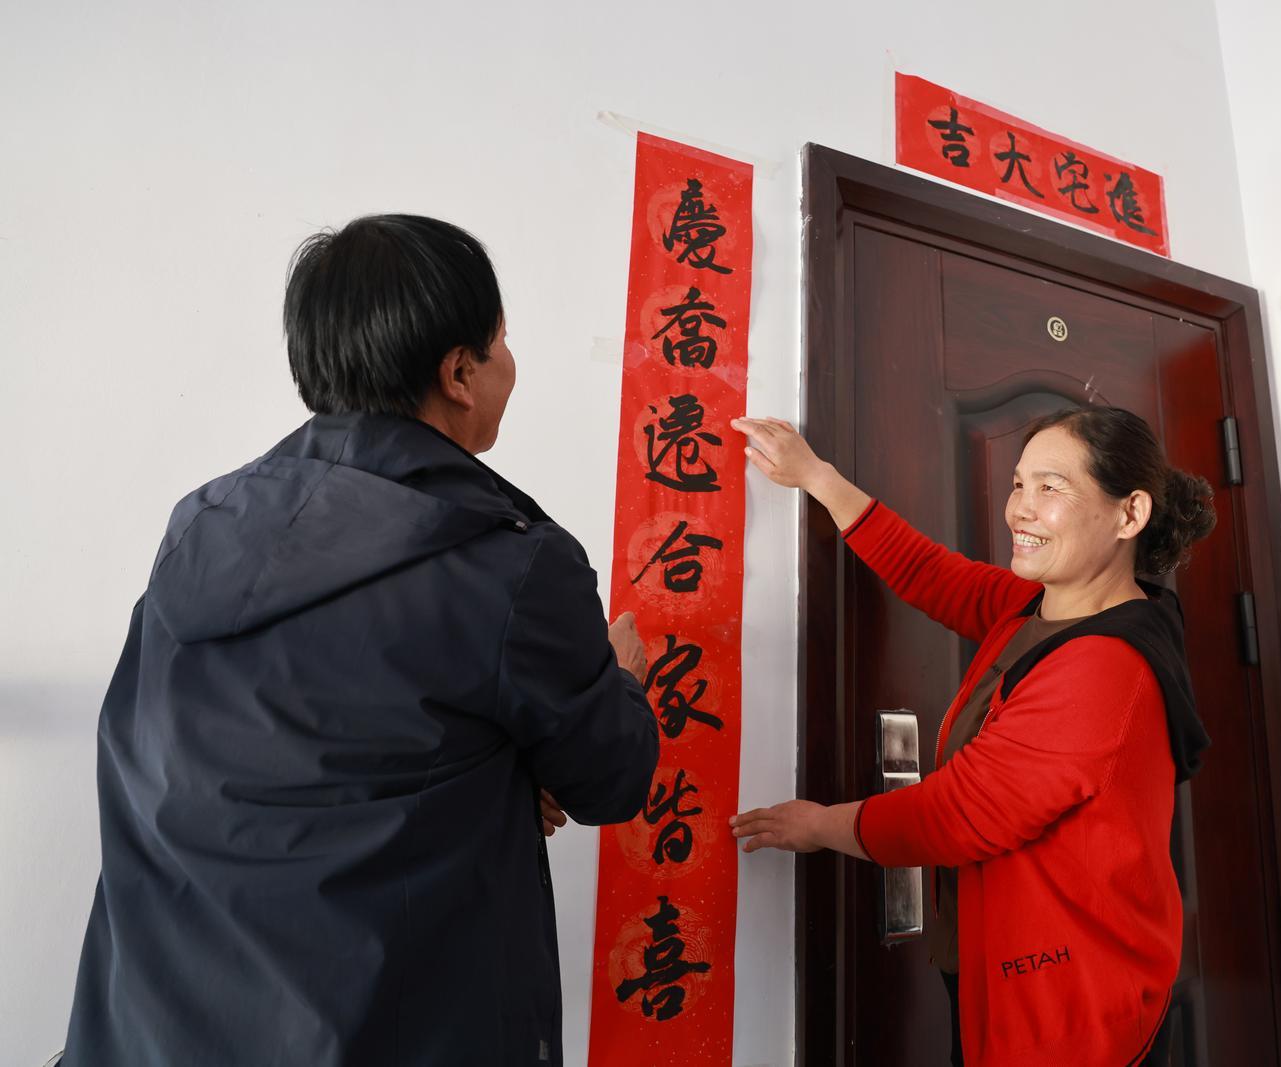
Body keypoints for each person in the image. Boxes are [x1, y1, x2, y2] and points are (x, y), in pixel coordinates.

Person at [61, 215, 660, 1066]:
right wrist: (620, 679)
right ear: (459, 373)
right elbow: (610, 777)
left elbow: (191, 753)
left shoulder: (201, 526)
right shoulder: (510, 564)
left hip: (152, 1031)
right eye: (500, 341)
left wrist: (483, 782)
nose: (508, 362)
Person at [730, 408, 1216, 1066]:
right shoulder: (1036, 605)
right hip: (1001, 970)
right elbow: (930, 573)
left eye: (1050, 487)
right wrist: (817, 477)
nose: (1020, 508)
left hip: (1070, 1006)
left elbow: (954, 815)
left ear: (1129, 514)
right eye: (1018, 484)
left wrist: (816, 824)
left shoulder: (1105, 668)